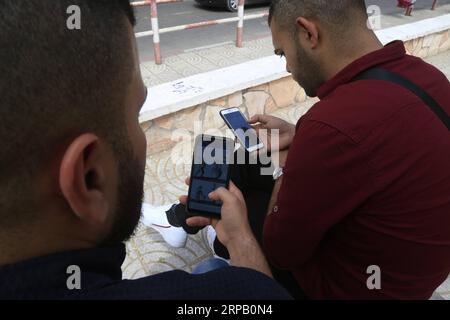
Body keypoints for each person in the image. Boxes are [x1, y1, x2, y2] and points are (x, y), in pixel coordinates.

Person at [0, 0, 291, 300]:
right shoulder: (238, 293)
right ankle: (178, 220)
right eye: (136, 115)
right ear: (89, 177)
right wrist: (241, 240)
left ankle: (176, 220)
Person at [182, 0, 450, 299]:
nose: (287, 67)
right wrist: (299, 136)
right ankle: (181, 217)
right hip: (408, 271)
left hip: (347, 286)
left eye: (283, 53)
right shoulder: (427, 76)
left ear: (308, 33)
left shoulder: (332, 125)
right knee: (252, 161)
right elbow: (378, 144)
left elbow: (281, 252)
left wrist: (303, 146)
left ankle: (200, 226)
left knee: (227, 236)